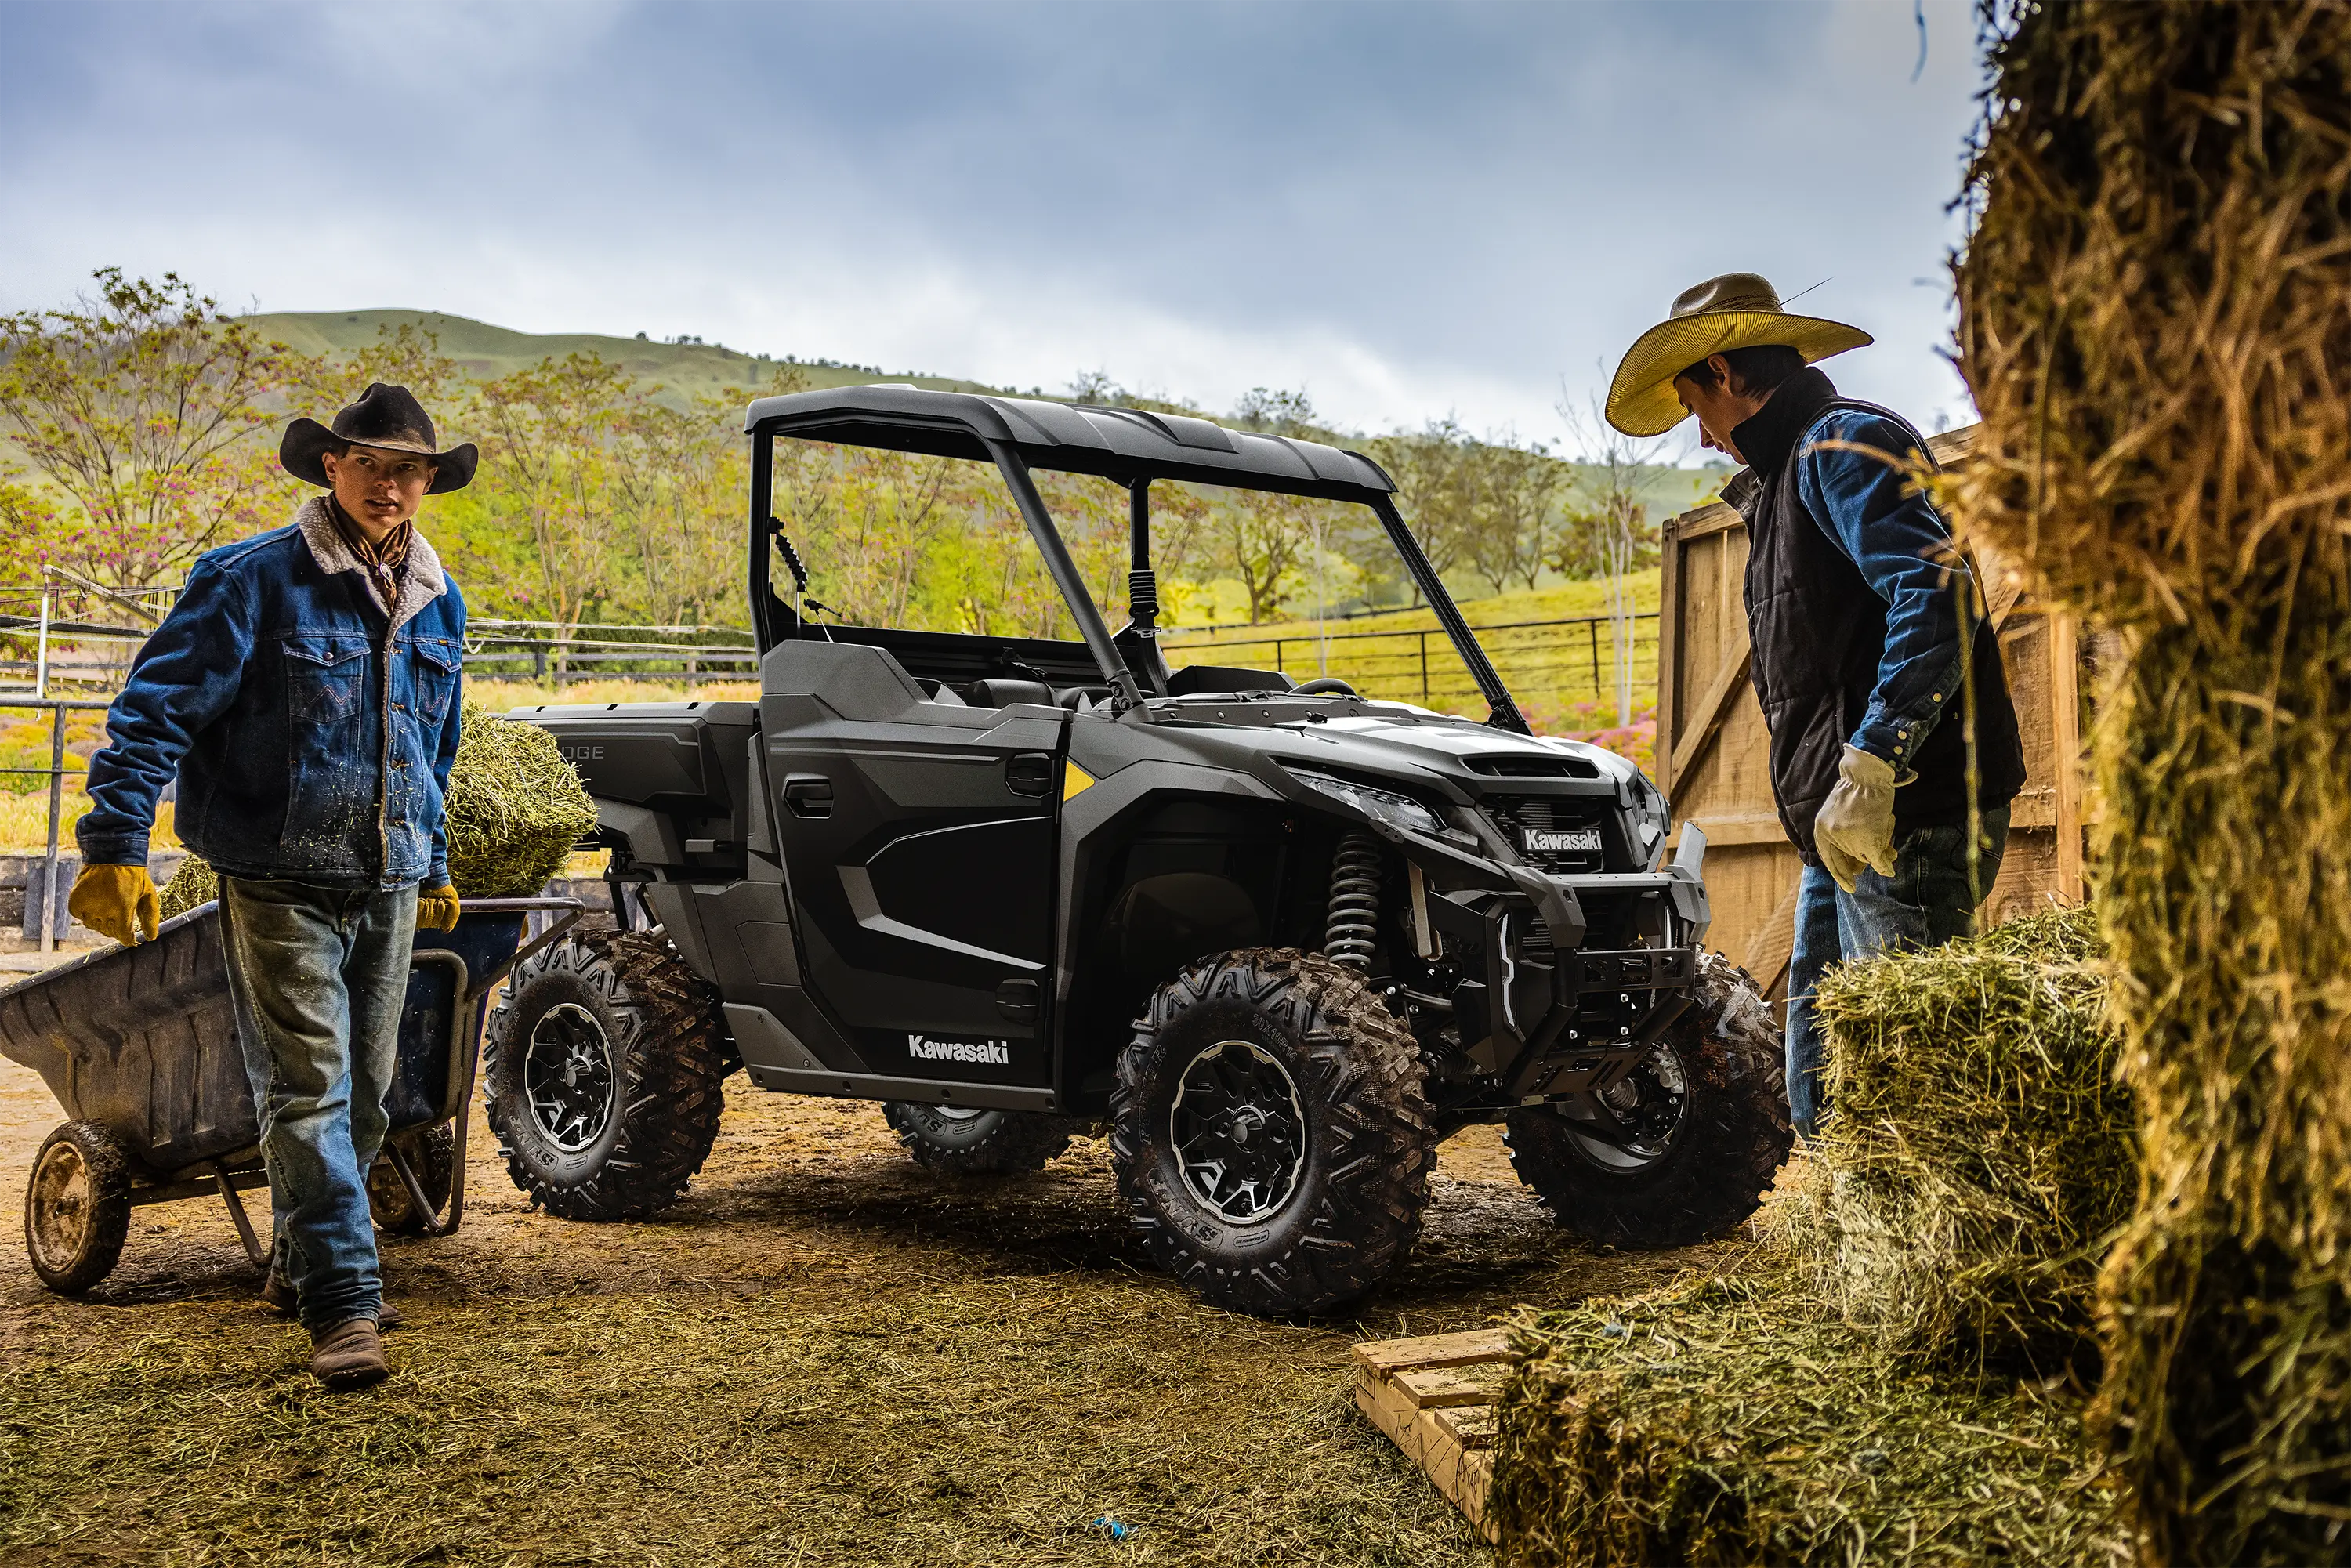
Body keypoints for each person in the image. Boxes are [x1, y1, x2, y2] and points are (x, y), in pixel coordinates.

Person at [68, 383, 472, 1390]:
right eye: (373, 464)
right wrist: (115, 841)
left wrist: (440, 858)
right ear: (328, 467)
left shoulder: (437, 595)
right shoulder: (250, 580)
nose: (393, 485)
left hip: (385, 875)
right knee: (310, 1092)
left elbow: (435, 743)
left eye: (411, 470)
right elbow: (152, 711)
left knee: (371, 1098)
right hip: (278, 874)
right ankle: (344, 1305)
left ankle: (298, 1264)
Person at [1606, 274, 2026, 1137]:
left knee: (1913, 1090)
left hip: (1903, 815)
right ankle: (1850, 1259)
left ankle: (1924, 1268)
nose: (1701, 434)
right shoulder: (1787, 478)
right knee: (1825, 1083)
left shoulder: (1842, 445)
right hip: (1838, 829)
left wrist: (1878, 756)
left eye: (1693, 403)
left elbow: (1934, 588)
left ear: (1722, 373)